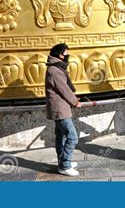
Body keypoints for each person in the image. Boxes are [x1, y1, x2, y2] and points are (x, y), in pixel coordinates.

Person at [45, 43, 81, 176]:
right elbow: (64, 89)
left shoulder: (55, 68)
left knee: (61, 136)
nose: (67, 56)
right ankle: (65, 165)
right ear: (60, 55)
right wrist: (75, 102)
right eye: (66, 53)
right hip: (60, 109)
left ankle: (63, 162)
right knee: (72, 137)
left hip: (60, 108)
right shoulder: (54, 70)